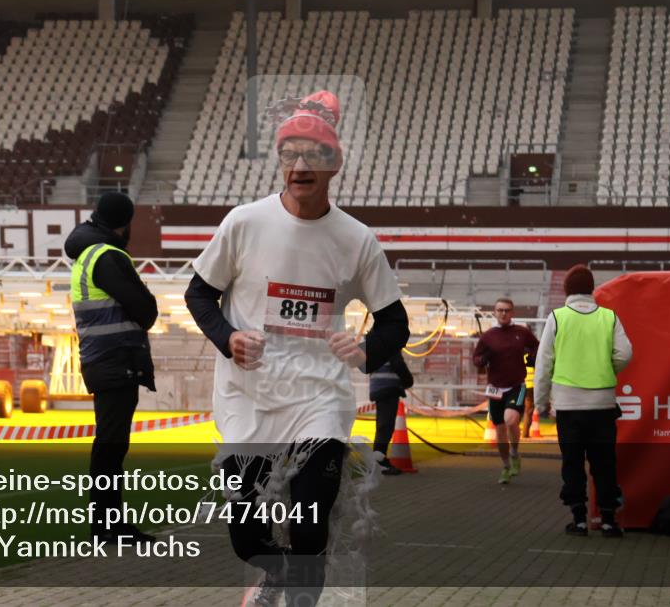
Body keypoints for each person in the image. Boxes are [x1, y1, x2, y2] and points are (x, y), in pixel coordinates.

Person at [185, 91, 410, 607]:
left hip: (319, 398)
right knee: (247, 536)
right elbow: (199, 293)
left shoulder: (356, 239)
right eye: (290, 154)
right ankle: (276, 574)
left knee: (310, 526)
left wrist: (364, 348)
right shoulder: (245, 222)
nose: (300, 166)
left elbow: (395, 322)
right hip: (249, 398)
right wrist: (228, 337)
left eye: (313, 155)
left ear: (334, 165)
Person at [64, 191, 158, 544]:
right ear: (125, 223)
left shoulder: (88, 254)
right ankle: (107, 527)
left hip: (103, 359)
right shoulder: (107, 256)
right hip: (116, 359)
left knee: (110, 445)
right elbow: (145, 310)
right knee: (111, 447)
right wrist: (147, 299)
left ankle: (107, 525)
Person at [534, 264, 633, 538]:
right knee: (604, 463)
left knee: (573, 463)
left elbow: (544, 364)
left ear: (567, 289)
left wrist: (540, 403)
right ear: (592, 289)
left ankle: (578, 519)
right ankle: (609, 519)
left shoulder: (557, 317)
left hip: (568, 405)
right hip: (602, 405)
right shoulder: (609, 317)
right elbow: (625, 353)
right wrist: (605, 367)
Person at [472, 297, 539, 484]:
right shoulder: (488, 336)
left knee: (511, 419)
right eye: (500, 310)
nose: (503, 313)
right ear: (495, 313)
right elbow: (476, 358)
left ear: (512, 313)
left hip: (517, 386)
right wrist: (482, 360)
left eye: (507, 310)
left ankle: (515, 452)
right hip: (495, 389)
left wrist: (533, 357)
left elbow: (536, 346)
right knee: (500, 431)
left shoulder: (521, 332)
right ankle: (506, 466)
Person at [369, 352, 414, 475]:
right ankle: (379, 462)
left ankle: (379, 460)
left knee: (382, 427)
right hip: (388, 389)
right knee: (385, 428)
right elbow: (399, 365)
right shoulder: (390, 346)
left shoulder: (375, 346)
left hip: (378, 389)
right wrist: (408, 381)